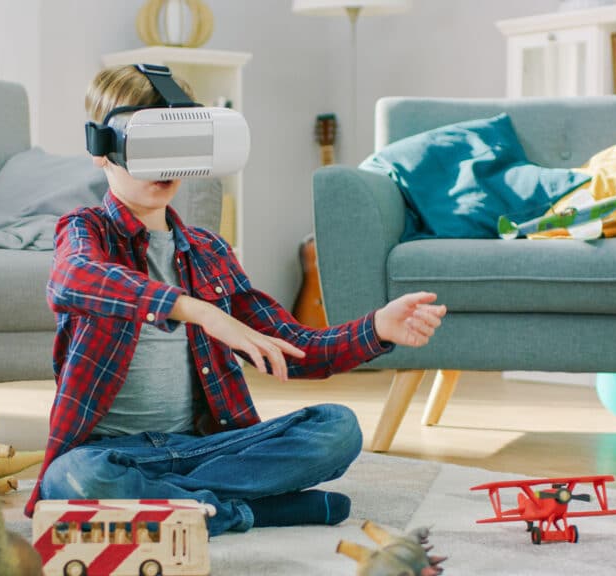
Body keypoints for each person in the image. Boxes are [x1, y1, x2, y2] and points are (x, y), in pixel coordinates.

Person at [23, 65, 448, 536]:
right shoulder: (85, 230)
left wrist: (376, 329)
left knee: (338, 427)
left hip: (208, 447)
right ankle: (254, 510)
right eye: (148, 147)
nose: (165, 166)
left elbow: (294, 345)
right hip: (112, 453)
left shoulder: (209, 251)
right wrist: (195, 309)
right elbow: (73, 278)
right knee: (73, 478)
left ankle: (178, 505)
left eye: (178, 147)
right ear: (103, 151)